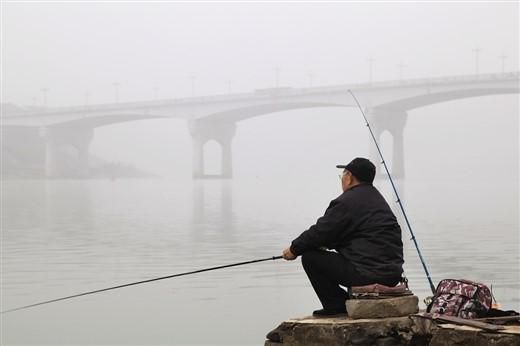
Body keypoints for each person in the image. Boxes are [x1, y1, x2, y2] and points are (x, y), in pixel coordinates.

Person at [282, 157, 404, 316]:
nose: (342, 180)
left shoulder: (346, 202)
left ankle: (336, 304)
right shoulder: (377, 200)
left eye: (342, 175)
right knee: (323, 252)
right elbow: (353, 234)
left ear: (350, 177)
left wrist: (294, 249)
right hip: (392, 275)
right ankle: (345, 301)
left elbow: (320, 232)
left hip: (367, 273)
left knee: (311, 257)